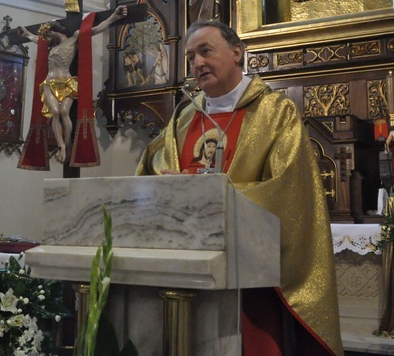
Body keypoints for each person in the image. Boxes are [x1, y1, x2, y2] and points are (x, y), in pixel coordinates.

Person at [136, 21, 343, 356]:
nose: (197, 63)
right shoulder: (186, 115)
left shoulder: (275, 112)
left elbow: (288, 190)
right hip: (182, 267)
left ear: (236, 53)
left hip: (248, 276)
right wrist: (171, 181)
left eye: (205, 51)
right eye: (191, 57)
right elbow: (152, 167)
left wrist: (214, 193)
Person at [19, 5, 127, 162]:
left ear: (57, 31)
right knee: (55, 113)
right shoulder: (50, 45)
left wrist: (114, 17)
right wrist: (28, 34)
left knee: (64, 112)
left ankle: (68, 144)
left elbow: (95, 29)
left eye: (49, 35)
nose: (47, 40)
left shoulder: (74, 39)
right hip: (49, 83)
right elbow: (38, 40)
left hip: (67, 82)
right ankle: (61, 145)